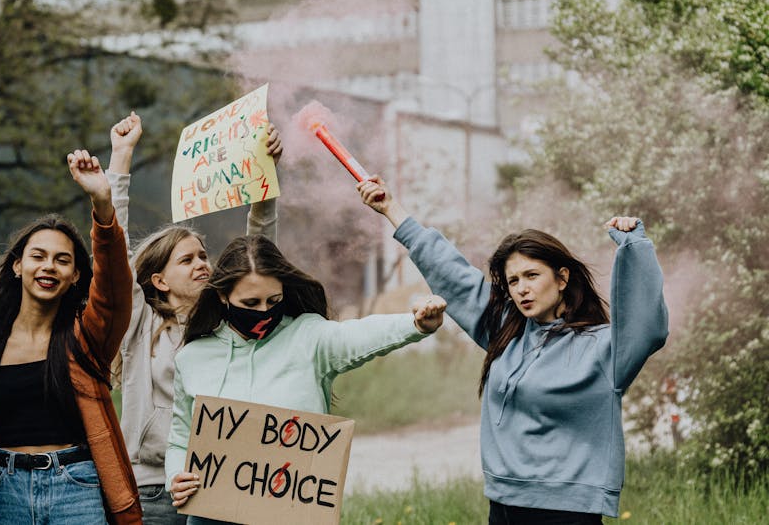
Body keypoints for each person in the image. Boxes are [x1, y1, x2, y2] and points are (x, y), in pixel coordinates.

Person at [357, 175, 669, 524]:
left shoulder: (602, 347)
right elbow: (454, 275)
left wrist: (635, 247)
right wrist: (391, 209)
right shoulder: (506, 331)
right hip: (503, 503)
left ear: (562, 279)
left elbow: (647, 326)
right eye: (514, 281)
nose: (522, 289)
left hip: (567, 511)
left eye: (532, 276)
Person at [165, 234, 447, 521]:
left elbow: (356, 336)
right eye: (251, 302)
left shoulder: (309, 337)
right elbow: (180, 439)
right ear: (224, 296)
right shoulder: (192, 358)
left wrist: (414, 325)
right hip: (213, 517)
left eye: (273, 300)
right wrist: (175, 476)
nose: (264, 311)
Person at [105, 112, 281, 525]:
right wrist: (121, 158)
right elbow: (112, 248)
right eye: (188, 259)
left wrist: (264, 184)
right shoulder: (139, 324)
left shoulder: (229, 321)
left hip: (224, 483)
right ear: (158, 280)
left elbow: (259, 253)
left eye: (203, 256)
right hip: (153, 491)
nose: (203, 264)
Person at [0, 149, 138, 525]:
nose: (49, 266)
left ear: (76, 275)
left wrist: (103, 205)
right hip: (1, 489)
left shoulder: (86, 338)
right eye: (38, 256)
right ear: (17, 265)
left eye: (62, 260)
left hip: (75, 487)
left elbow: (114, 290)